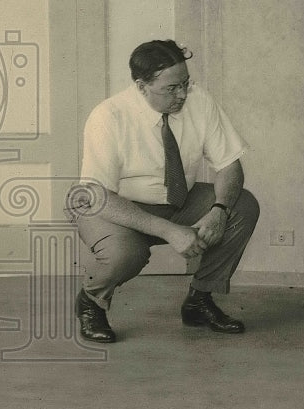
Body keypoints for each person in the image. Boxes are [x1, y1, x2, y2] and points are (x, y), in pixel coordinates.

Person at [68, 40, 259, 343]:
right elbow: (97, 195)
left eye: (185, 83)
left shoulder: (199, 102)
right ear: (142, 86)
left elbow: (230, 166)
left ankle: (199, 301)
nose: (182, 94)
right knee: (126, 254)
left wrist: (219, 210)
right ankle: (91, 302)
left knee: (242, 206)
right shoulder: (109, 116)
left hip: (176, 202)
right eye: (170, 89)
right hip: (115, 209)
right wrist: (170, 231)